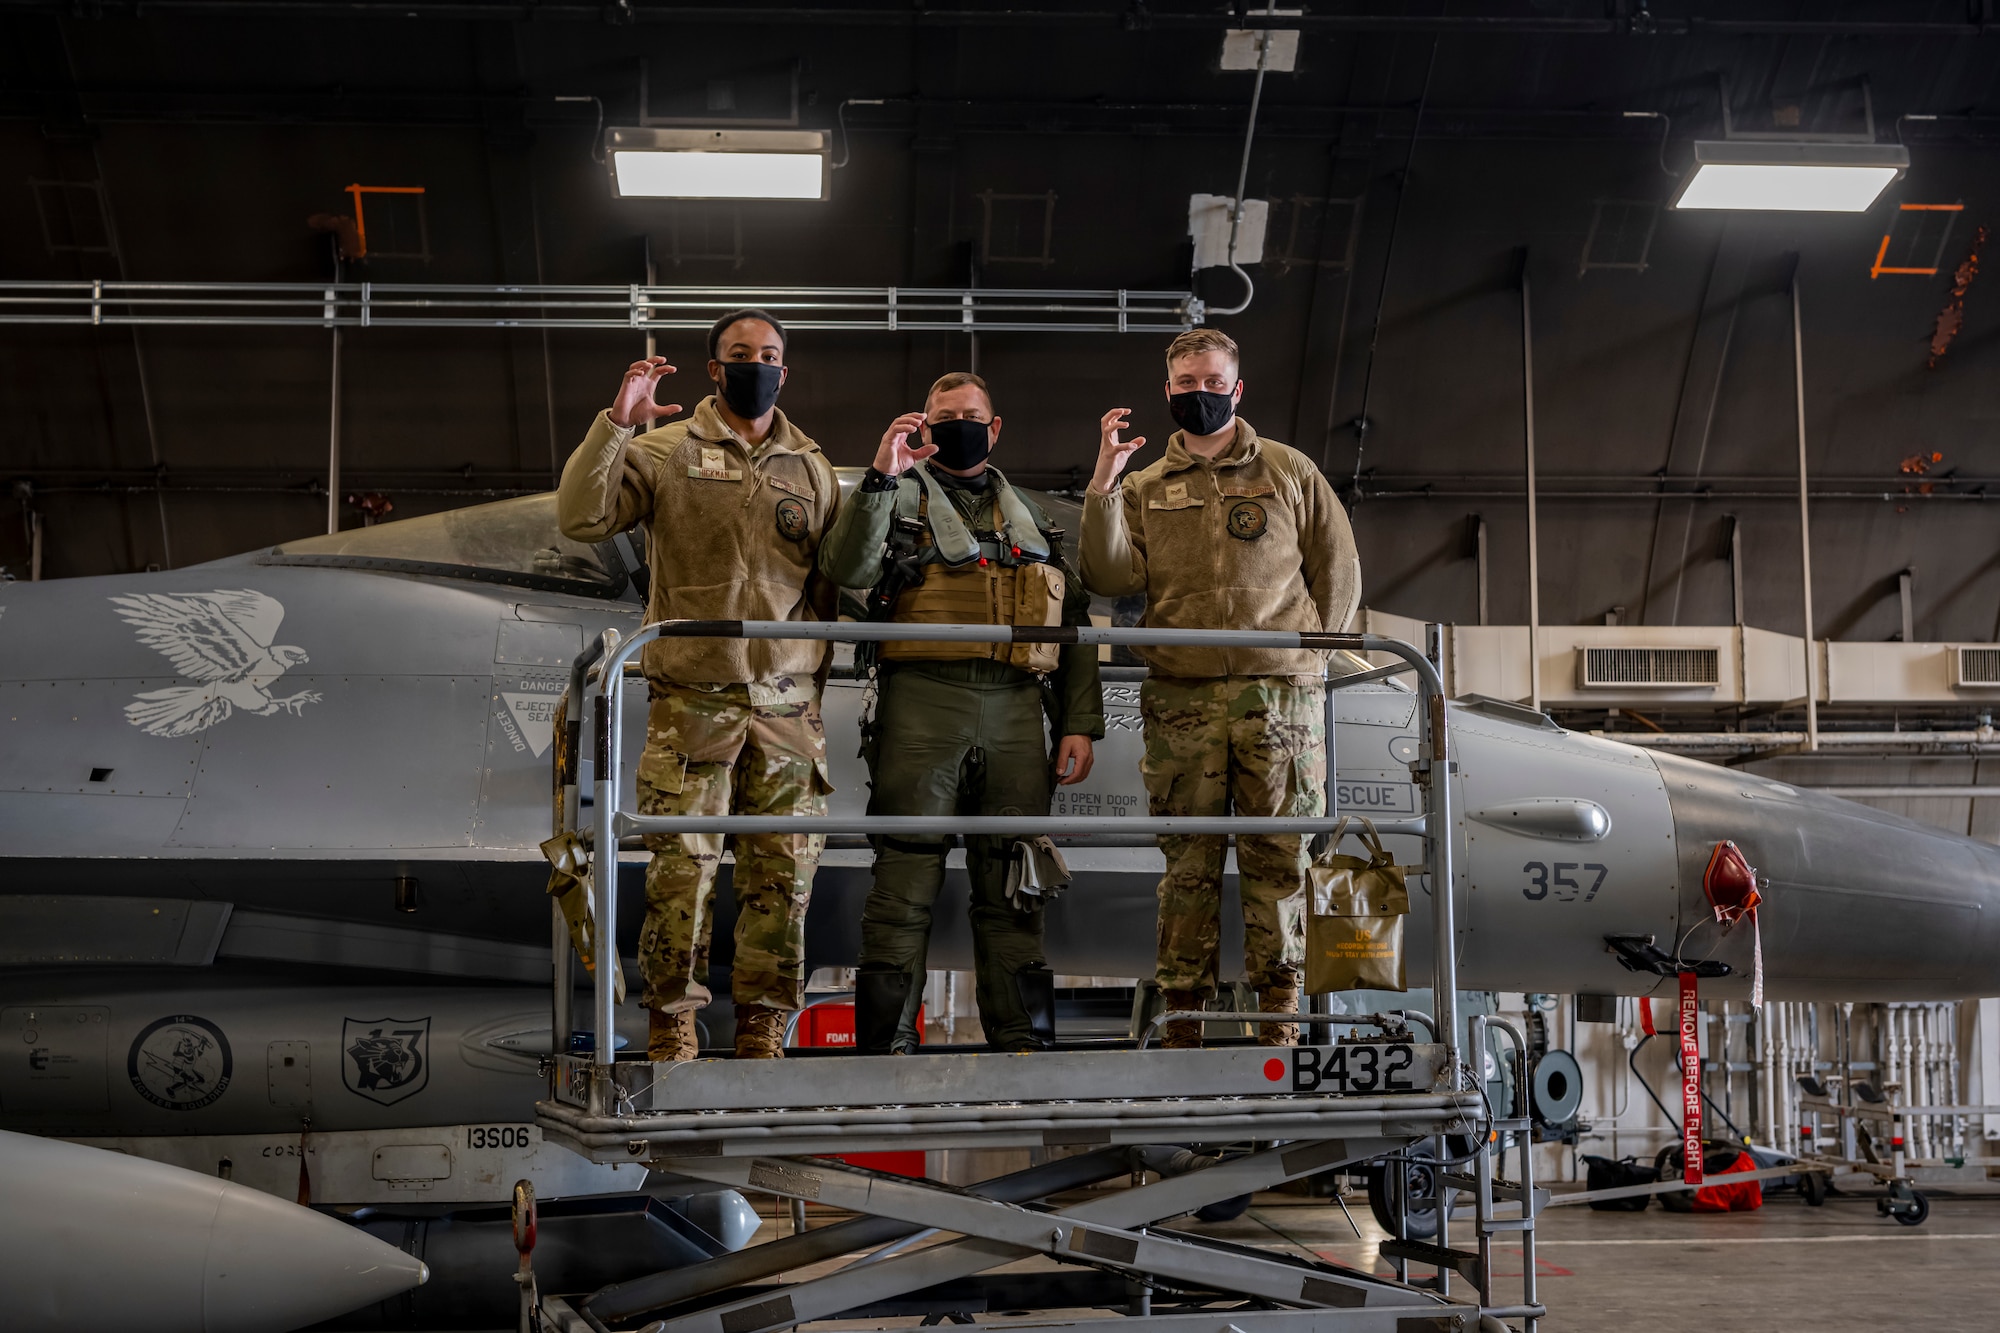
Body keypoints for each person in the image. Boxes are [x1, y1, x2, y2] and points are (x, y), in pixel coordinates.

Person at [557, 309, 840, 1061]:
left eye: (771, 354)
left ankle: (763, 1025)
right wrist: (616, 424)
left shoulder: (811, 467)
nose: (758, 364)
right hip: (693, 703)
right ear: (714, 368)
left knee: (783, 877)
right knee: (683, 873)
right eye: (741, 354)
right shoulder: (663, 451)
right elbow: (581, 514)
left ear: (788, 368)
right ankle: (672, 1020)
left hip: (786, 706)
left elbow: (831, 582)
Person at [1079, 328, 1360, 1049]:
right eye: (1185, 384)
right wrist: (1105, 479)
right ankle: (1183, 1022)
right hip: (1183, 698)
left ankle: (1280, 1020)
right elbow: (1110, 579)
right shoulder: (1143, 487)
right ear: (1167, 390)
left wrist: (1308, 659)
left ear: (1237, 389)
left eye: (1212, 382)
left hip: (1280, 701)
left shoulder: (1288, 470)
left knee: (1281, 860)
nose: (1198, 394)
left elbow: (1338, 566)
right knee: (1188, 866)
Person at [818, 372, 1104, 1054]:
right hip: (922, 704)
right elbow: (848, 568)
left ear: (994, 426)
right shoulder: (895, 498)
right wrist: (883, 477)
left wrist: (1076, 721)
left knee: (1015, 881)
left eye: (971, 416)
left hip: (1014, 710)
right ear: (924, 423)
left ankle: (1021, 1043)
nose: (960, 426)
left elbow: (1076, 620)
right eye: (945, 417)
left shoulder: (1034, 520)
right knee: (902, 883)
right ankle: (885, 1047)